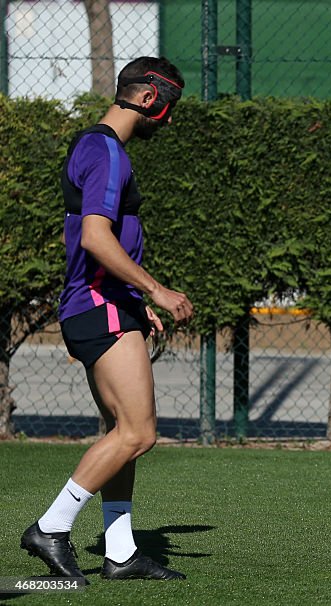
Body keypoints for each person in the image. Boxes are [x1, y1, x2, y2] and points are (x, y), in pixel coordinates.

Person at [20, 57, 194, 582]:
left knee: (124, 431)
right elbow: (96, 238)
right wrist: (156, 291)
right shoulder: (107, 152)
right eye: (169, 107)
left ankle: (120, 551)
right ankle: (51, 527)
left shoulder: (92, 145)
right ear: (148, 99)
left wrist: (135, 302)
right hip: (100, 306)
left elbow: (94, 240)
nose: (168, 119)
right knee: (139, 433)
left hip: (107, 303)